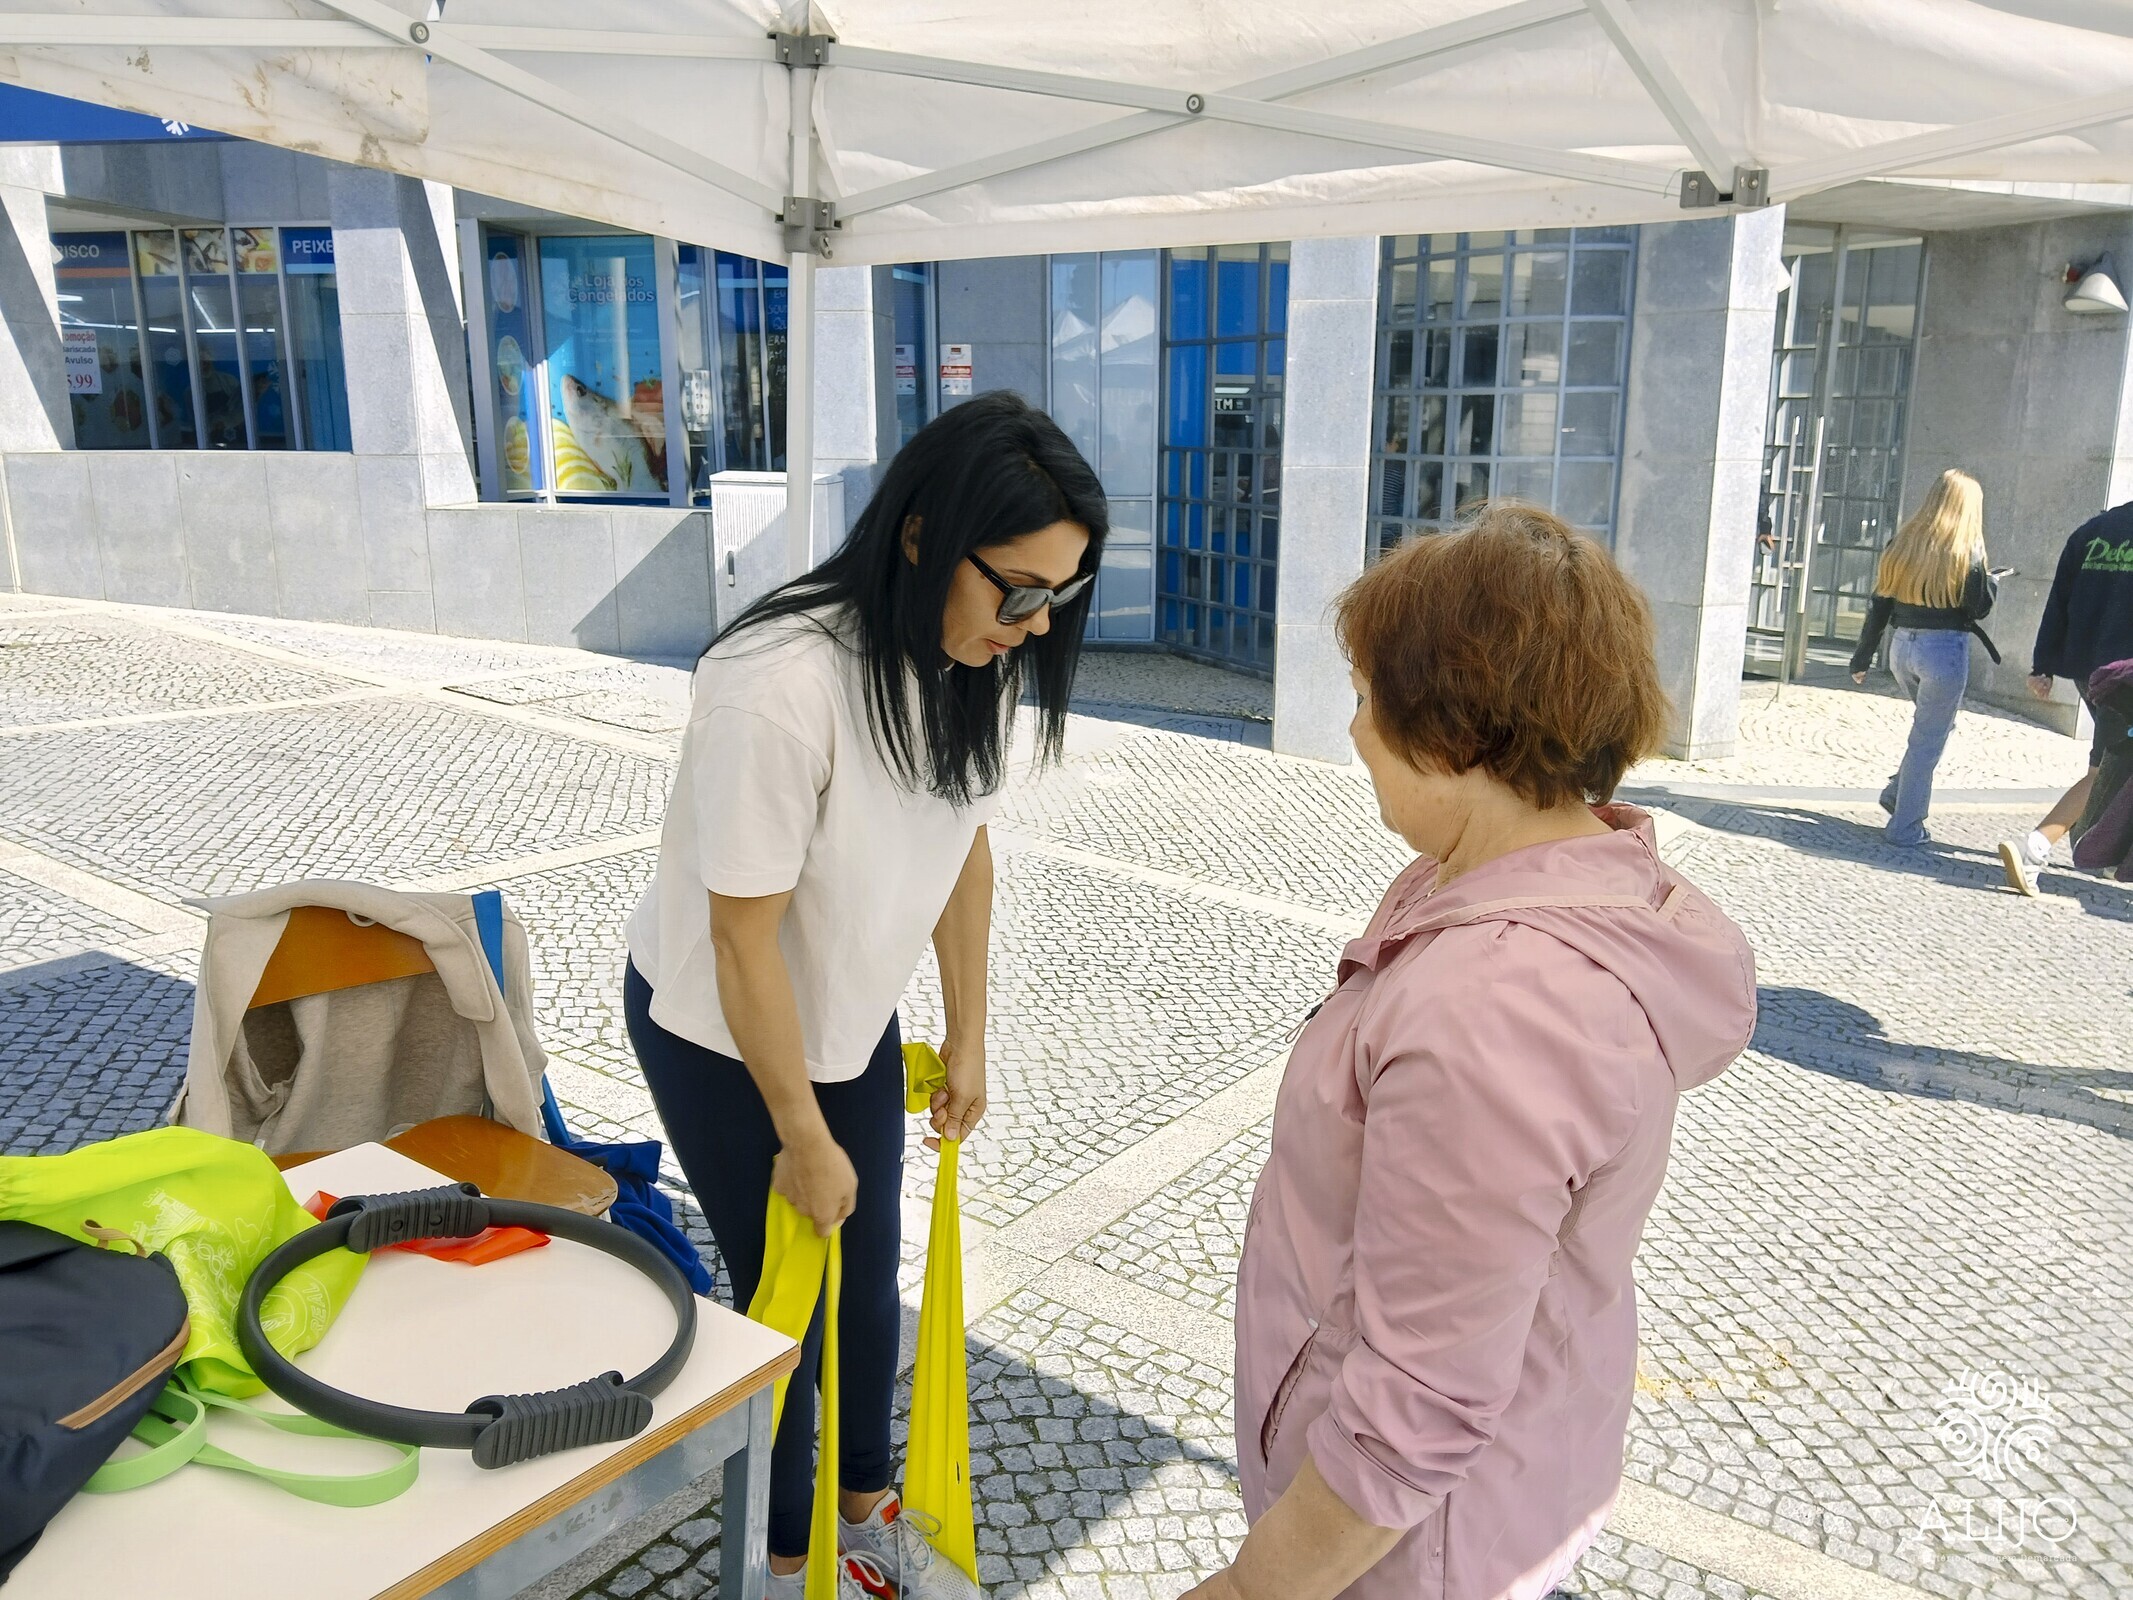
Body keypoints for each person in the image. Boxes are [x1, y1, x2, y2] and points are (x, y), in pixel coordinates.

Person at [1189, 505, 1756, 1600]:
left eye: (1367, 697)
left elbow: (1418, 1403)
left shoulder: (1497, 1008)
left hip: (1413, 1553)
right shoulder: (1512, 877)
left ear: (1451, 732)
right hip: (1503, 1473)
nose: (1355, 730)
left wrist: (1254, 1588)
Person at [622, 392, 1107, 1600]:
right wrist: (801, 1134)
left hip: (844, 1017)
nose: (1038, 625)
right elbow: (741, 944)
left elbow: (963, 847)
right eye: (1020, 592)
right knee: (785, 1302)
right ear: (922, 537)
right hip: (723, 1030)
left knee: (870, 1284)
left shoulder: (973, 656)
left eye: (1060, 595)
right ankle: (789, 1562)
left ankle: (867, 1512)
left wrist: (969, 1033)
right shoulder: (776, 684)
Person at [1847, 469, 1999, 847]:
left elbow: (1879, 604)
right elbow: (1978, 608)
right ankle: (1905, 827)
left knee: (1931, 731)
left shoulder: (1903, 543)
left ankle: (1897, 792)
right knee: (1927, 740)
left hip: (1902, 648)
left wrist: (1862, 658)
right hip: (1943, 652)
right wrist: (1990, 581)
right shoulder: (1966, 550)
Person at [1999, 498, 2133, 895]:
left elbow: (2058, 600)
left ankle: (2100, 852)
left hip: (2087, 670)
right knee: (2103, 770)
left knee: (2113, 763)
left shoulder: (2091, 532)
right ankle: (2035, 847)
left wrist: (2043, 664)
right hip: (2124, 677)